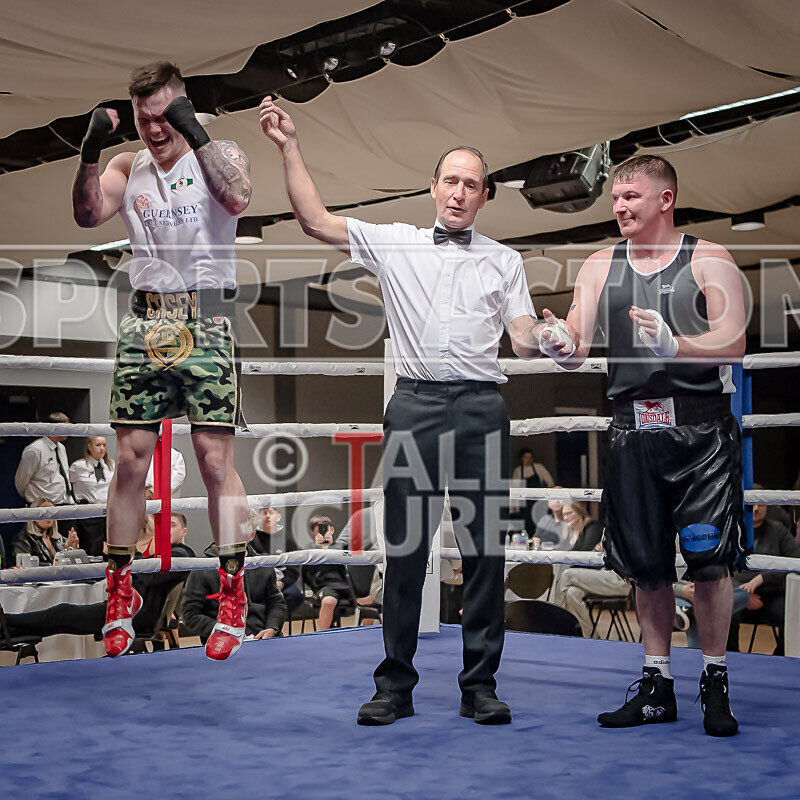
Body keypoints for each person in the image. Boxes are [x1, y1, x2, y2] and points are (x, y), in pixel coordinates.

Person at [260, 97, 575, 726]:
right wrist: (288, 146)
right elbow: (315, 221)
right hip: (416, 405)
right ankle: (394, 686)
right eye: (450, 180)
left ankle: (479, 685)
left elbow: (519, 336)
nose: (459, 192)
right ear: (433, 187)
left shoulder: (505, 260)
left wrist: (554, 339)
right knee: (404, 549)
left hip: (482, 405)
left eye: (472, 184)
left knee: (485, 549)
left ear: (485, 196)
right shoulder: (396, 243)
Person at [71, 61, 253, 661]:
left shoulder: (219, 150)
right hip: (147, 318)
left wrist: (194, 135)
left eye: (161, 116)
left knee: (211, 457)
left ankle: (233, 591)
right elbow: (88, 215)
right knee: (129, 459)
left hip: (207, 314)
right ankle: (120, 591)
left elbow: (238, 196)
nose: (151, 129)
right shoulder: (130, 165)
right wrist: (91, 151)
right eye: (143, 118)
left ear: (180, 105)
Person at [561, 154, 747, 737]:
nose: (619, 206)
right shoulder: (598, 264)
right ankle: (657, 683)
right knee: (647, 568)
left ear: (664, 199)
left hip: (700, 430)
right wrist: (555, 341)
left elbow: (734, 339)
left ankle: (715, 681)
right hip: (630, 428)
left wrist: (677, 346)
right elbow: (577, 338)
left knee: (710, 560)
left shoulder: (709, 257)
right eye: (615, 197)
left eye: (631, 196)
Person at [5, 514, 196, 651]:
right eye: (164, 524)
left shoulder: (182, 554)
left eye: (172, 525)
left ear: (184, 531)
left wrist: (129, 553)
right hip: (127, 610)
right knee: (60, 620)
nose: (166, 529)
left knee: (61, 613)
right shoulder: (164, 555)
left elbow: (147, 576)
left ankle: (7, 622)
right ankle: (8, 629)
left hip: (137, 615)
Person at [188, 523, 287, 646]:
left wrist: (272, 628)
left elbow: (276, 603)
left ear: (251, 535)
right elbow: (191, 614)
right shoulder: (203, 568)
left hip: (264, 641)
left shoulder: (263, 564)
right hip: (222, 645)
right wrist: (224, 632)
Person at [727, 497, 800, 654]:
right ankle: (730, 658)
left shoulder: (779, 530)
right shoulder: (732, 531)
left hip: (770, 594)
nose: (756, 509)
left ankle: (783, 657)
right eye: (752, 504)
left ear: (767, 506)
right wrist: (743, 594)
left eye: (761, 504)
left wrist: (764, 577)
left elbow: (796, 561)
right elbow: (722, 567)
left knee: (790, 611)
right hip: (737, 591)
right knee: (725, 609)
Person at [15, 412, 77, 510]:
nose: (69, 432)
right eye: (66, 427)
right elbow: (21, 480)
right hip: (42, 505)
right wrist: (32, 499)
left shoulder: (61, 448)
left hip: (64, 502)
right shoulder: (35, 450)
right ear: (54, 428)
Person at [249, 506, 304, 615]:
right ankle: (261, 624)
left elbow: (294, 570)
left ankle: (275, 623)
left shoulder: (288, 541)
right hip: (259, 584)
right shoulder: (252, 539)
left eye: (271, 513)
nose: (268, 516)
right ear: (259, 517)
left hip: (282, 584)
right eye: (264, 513)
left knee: (296, 596)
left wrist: (282, 583)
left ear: (278, 517)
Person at [303, 514, 352, 631]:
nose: (323, 533)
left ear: (332, 530)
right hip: (325, 587)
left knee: (367, 598)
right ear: (313, 534)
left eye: (326, 530)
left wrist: (332, 549)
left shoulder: (342, 546)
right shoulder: (310, 549)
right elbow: (306, 574)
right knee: (329, 601)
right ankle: (324, 635)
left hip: (347, 586)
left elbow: (353, 568)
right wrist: (319, 549)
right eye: (319, 531)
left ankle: (368, 631)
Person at [69, 436, 115, 555]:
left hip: (108, 514)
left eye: (104, 445)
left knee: (109, 550)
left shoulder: (111, 465)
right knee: (91, 549)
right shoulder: (78, 466)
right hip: (88, 515)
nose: (102, 448)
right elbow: (68, 486)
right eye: (98, 445)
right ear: (89, 446)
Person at [11, 498, 79, 566]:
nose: (48, 516)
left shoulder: (61, 540)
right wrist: (49, 567)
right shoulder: (23, 540)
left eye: (51, 512)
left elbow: (66, 566)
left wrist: (70, 550)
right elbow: (23, 564)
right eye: (43, 512)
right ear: (33, 515)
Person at [510, 448, 554, 537]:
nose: (528, 460)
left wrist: (547, 498)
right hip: (524, 505)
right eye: (526, 457)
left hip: (538, 503)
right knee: (526, 528)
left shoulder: (538, 467)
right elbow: (514, 489)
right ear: (521, 459)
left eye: (530, 457)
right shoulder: (518, 471)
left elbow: (550, 482)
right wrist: (514, 505)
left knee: (540, 526)